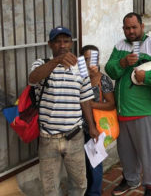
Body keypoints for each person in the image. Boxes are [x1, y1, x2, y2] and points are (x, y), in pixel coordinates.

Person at [105, 12, 151, 196]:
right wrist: (122, 62)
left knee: (150, 153)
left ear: (142, 27)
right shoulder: (119, 46)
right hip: (123, 112)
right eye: (127, 28)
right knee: (126, 152)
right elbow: (110, 70)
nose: (131, 31)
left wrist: (148, 77)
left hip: (147, 112)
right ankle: (131, 180)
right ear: (123, 29)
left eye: (134, 27)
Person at [28, 27, 99, 196]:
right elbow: (32, 78)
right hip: (48, 138)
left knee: (80, 184)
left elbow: (85, 98)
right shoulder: (41, 63)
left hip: (75, 136)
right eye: (57, 41)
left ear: (71, 44)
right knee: (50, 188)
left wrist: (92, 126)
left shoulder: (81, 67)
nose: (62, 45)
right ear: (50, 44)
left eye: (66, 41)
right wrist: (56, 61)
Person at [80, 45, 115, 196]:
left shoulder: (103, 79)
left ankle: (94, 193)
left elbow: (111, 104)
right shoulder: (79, 77)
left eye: (92, 58)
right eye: (86, 59)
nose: (89, 62)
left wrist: (91, 103)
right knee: (83, 165)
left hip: (95, 129)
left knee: (95, 164)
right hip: (78, 128)